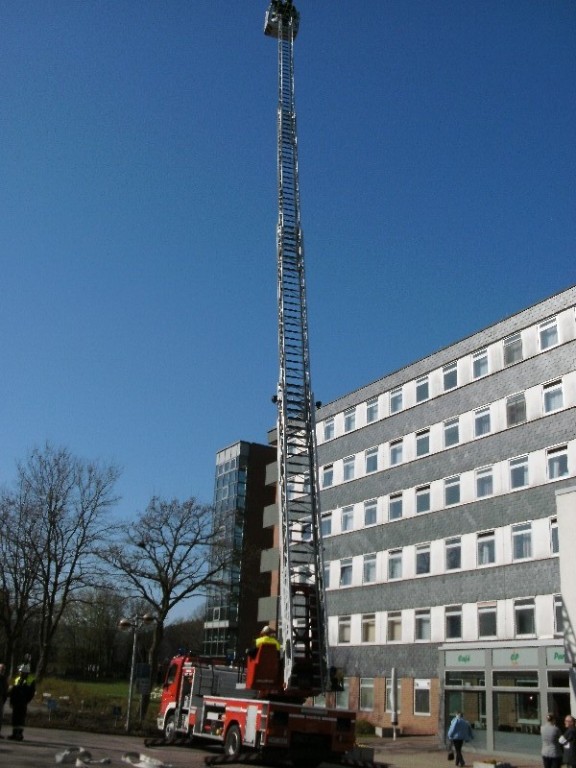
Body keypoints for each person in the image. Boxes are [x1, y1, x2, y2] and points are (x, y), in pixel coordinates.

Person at [8, 663, 36, 741]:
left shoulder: (30, 680)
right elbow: (13, 691)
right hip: (16, 702)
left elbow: (31, 693)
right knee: (15, 718)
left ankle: (19, 734)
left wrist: (26, 700)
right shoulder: (17, 679)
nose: (19, 672)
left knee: (20, 719)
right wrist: (11, 701)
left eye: (21, 671)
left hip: (23, 703)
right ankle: (14, 734)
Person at [0, 663, 8, 738]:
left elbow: (5, 689)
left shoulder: (4, 679)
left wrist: (4, 698)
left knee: (0, 716)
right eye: (1, 669)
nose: (2, 670)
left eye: (3, 669)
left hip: (1, 699)